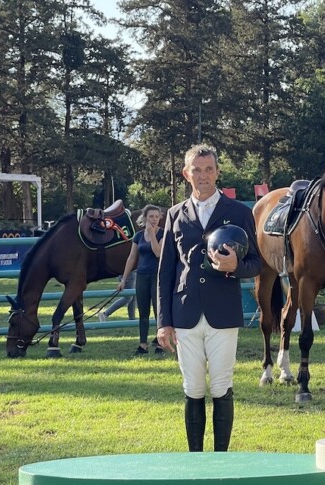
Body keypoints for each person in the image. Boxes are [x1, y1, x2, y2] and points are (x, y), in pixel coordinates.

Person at [156, 144, 261, 452]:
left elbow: (256, 263)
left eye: (209, 169)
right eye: (197, 170)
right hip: (185, 310)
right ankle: (195, 459)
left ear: (217, 171)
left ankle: (221, 458)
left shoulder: (239, 212)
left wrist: (236, 266)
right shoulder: (175, 213)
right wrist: (164, 322)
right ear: (186, 174)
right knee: (193, 387)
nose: (203, 175)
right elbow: (166, 272)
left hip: (223, 312)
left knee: (220, 385)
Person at [117, 204, 164, 355]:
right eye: (151, 216)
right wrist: (124, 279)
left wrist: (151, 235)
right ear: (145, 218)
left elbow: (158, 253)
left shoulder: (163, 234)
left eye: (157, 216)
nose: (154, 219)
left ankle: (160, 344)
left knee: (159, 312)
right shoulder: (138, 236)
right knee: (143, 312)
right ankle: (143, 345)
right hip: (142, 276)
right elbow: (132, 258)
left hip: (157, 276)